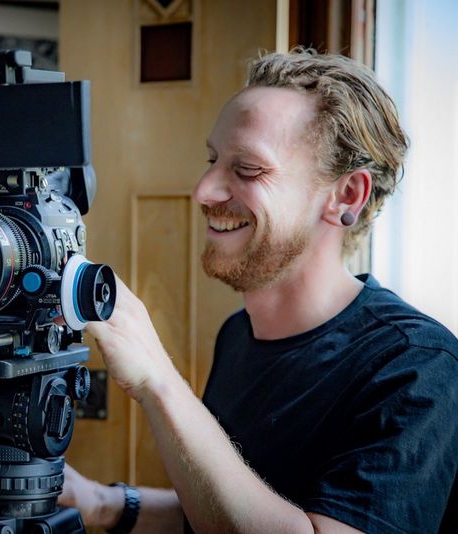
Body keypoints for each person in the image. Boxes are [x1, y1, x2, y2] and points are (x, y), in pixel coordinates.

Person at [58, 48, 458, 533]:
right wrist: (103, 503)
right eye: (212, 160)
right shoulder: (239, 336)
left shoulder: (416, 366)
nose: (204, 190)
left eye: (247, 170)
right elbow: (223, 511)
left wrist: (157, 379)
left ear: (347, 195)